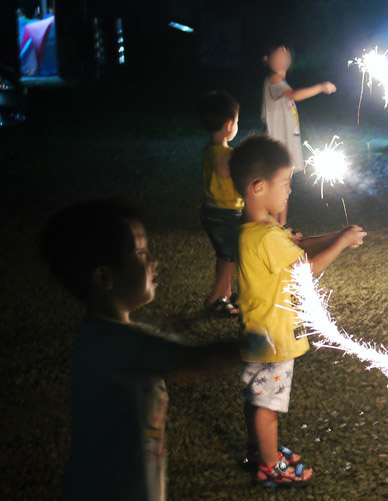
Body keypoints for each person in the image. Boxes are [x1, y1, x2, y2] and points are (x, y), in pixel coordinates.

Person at [40, 200, 254, 501]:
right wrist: (252, 344)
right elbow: (195, 361)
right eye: (140, 252)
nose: (154, 260)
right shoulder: (114, 342)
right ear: (104, 277)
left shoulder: (102, 334)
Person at [229, 135, 367, 488]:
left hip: (261, 333)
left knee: (258, 399)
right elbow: (307, 266)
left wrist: (338, 232)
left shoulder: (261, 228)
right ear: (258, 187)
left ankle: (261, 450)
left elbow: (299, 244)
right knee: (268, 407)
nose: (289, 191)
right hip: (271, 339)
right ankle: (271, 466)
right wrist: (342, 243)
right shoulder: (264, 237)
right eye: (286, 184)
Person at [261, 42, 337, 226]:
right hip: (276, 149)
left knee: (285, 187)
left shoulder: (281, 83)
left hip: (286, 147)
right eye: (277, 56)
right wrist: (320, 87)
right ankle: (272, 228)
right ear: (267, 59)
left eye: (285, 56)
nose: (282, 60)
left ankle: (283, 226)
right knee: (277, 188)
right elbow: (293, 95)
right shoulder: (274, 82)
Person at [199, 91, 243, 317]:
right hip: (226, 214)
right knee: (230, 256)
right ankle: (215, 298)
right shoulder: (227, 155)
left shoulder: (209, 150)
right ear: (228, 125)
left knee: (224, 255)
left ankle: (224, 294)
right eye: (237, 121)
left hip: (211, 211)